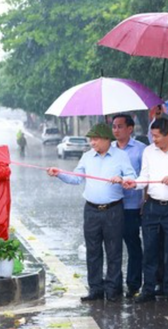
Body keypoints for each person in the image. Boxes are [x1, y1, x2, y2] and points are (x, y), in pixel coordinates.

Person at [48, 123, 136, 302]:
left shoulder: (121, 156)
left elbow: (132, 177)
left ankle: (113, 289)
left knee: (114, 251)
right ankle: (95, 288)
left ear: (106, 139)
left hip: (113, 210)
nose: (92, 142)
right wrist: (59, 173)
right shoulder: (87, 157)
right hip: (91, 210)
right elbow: (76, 178)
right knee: (93, 251)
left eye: (95, 139)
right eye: (91, 139)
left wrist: (122, 179)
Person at [123, 118, 168, 305]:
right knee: (150, 249)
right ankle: (148, 289)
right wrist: (135, 184)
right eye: (152, 136)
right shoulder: (149, 151)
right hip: (152, 206)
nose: (153, 140)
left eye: (156, 136)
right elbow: (145, 176)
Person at [111, 114, 147, 298]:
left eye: (120, 126)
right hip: (112, 205)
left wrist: (144, 202)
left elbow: (147, 177)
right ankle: (113, 284)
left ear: (130, 128)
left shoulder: (142, 150)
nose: (116, 130)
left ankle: (133, 284)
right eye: (114, 127)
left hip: (132, 205)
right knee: (113, 246)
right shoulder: (108, 149)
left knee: (133, 244)